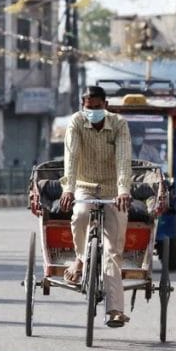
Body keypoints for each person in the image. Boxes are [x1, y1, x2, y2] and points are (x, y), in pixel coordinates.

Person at [58, 85, 133, 328]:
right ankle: (80, 258)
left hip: (113, 189)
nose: (92, 112)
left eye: (97, 107)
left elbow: (123, 158)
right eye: (88, 108)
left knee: (112, 251)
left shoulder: (119, 124)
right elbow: (71, 156)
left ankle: (114, 310)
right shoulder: (77, 122)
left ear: (105, 105)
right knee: (79, 215)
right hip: (84, 185)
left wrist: (123, 189)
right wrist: (68, 188)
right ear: (83, 106)